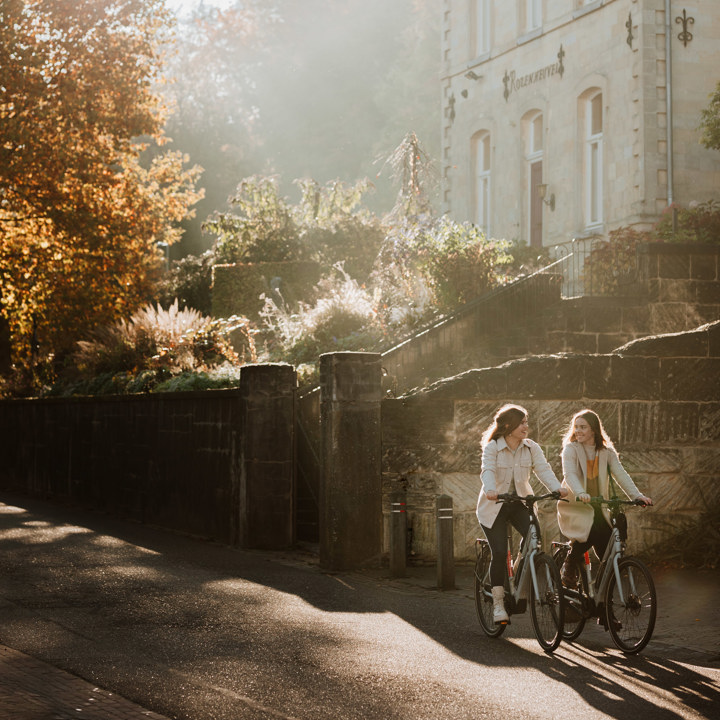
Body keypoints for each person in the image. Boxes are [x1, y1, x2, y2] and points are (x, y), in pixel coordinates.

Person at [476, 404, 567, 624]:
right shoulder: (493, 447)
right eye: (522, 422)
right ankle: (498, 604)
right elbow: (487, 470)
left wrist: (556, 488)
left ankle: (517, 568)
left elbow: (543, 469)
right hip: (494, 505)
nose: (526, 426)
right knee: (499, 552)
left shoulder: (531, 447)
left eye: (526, 422)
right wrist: (490, 489)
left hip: (520, 503)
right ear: (508, 426)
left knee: (534, 539)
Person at [557, 409, 653, 590]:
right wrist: (580, 493)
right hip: (576, 506)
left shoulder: (606, 452)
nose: (578, 430)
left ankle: (602, 610)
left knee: (609, 561)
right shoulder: (571, 449)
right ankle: (570, 562)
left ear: (593, 430)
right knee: (592, 529)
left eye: (583, 427)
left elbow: (621, 474)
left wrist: (637, 496)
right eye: (576, 427)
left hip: (598, 507)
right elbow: (569, 474)